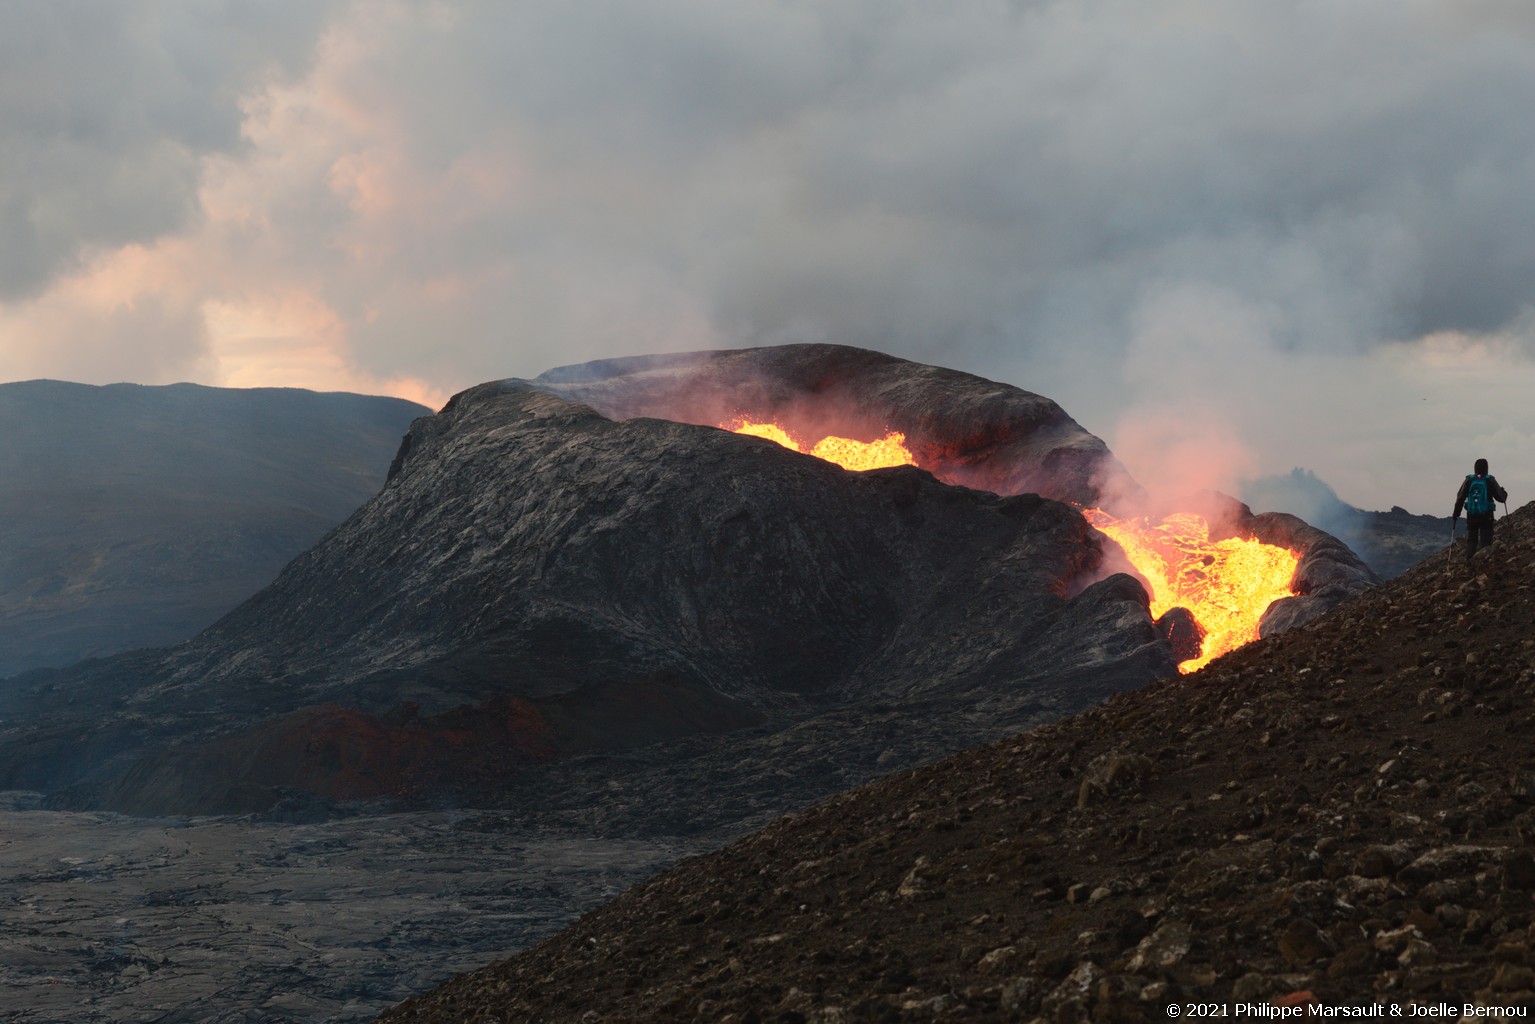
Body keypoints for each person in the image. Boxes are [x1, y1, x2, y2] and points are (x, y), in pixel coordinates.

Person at [1453, 458, 1508, 564]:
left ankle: (1469, 563)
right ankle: (1485, 563)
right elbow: (1501, 498)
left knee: (1472, 539)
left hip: (1472, 514)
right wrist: (1504, 492)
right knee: (1486, 540)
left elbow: (1460, 497)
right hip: (1486, 515)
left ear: (1475, 468)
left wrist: (1456, 513)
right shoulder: (1489, 480)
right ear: (1487, 468)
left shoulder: (1469, 480)